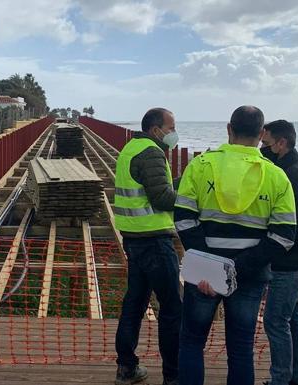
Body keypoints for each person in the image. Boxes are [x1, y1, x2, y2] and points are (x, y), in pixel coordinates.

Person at [174, 106, 297, 385]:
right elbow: (284, 235)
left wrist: (212, 267)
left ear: (229, 129)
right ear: (262, 133)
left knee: (192, 343)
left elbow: (182, 218)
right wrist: (237, 269)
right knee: (241, 349)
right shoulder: (276, 175)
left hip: (205, 275)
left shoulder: (201, 165)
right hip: (249, 277)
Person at [114, 108, 181, 385]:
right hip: (154, 240)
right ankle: (173, 376)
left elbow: (148, 191)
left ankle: (126, 368)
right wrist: (189, 190)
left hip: (134, 237)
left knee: (135, 303)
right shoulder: (152, 153)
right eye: (170, 127)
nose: (173, 133)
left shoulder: (130, 148)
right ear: (156, 130)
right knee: (172, 309)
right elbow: (162, 199)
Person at [261, 120, 298, 385]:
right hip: (286, 259)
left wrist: (277, 242)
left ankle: (281, 379)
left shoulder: (296, 173)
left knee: (275, 321)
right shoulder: (284, 169)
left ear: (281, 143)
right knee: (293, 318)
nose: (263, 148)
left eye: (266, 143)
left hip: (291, 262)